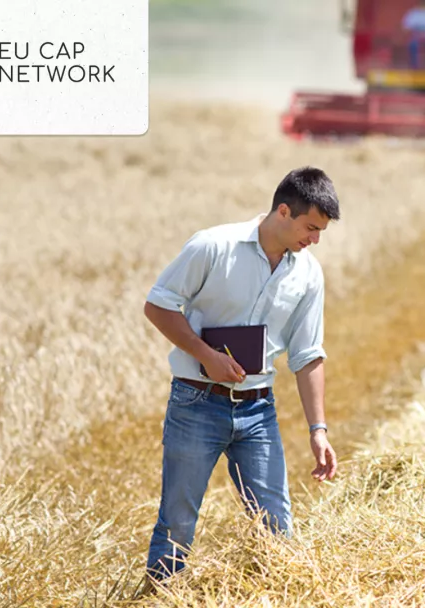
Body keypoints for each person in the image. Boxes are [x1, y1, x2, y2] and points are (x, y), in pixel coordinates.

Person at [142, 166, 341, 583]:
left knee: (276, 526)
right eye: (311, 227)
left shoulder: (308, 273)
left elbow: (307, 355)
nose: (315, 240)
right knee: (177, 522)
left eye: (321, 231)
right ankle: (161, 594)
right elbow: (158, 306)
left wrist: (318, 429)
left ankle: (276, 594)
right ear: (283, 211)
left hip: (259, 411)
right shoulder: (213, 246)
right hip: (195, 403)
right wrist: (204, 354)